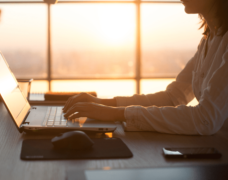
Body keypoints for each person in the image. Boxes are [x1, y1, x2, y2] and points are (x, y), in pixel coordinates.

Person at [63, 0, 228, 135]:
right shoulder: (209, 39)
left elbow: (205, 119)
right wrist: (103, 103)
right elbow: (173, 97)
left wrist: (113, 113)